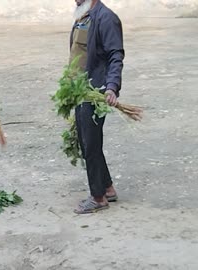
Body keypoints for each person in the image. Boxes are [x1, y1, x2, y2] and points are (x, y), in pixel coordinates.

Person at [69, 0, 125, 214]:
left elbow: (115, 55)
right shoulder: (83, 17)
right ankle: (108, 188)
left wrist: (111, 87)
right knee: (86, 141)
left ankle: (98, 197)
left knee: (90, 144)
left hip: (95, 89)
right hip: (79, 89)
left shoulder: (106, 18)